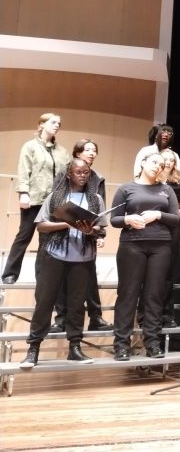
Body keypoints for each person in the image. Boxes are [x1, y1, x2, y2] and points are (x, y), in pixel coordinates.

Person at [19, 159, 107, 368]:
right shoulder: (56, 196)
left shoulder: (95, 199)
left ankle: (75, 347)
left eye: (86, 172)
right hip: (54, 256)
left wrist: (90, 230)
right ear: (69, 174)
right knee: (45, 302)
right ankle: (33, 348)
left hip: (83, 258)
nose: (83, 175)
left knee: (77, 304)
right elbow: (41, 226)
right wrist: (66, 224)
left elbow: (101, 229)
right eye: (78, 172)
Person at [109, 153, 180, 360]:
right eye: (154, 162)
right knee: (128, 295)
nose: (158, 167)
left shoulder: (166, 190)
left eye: (161, 164)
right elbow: (114, 219)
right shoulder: (126, 189)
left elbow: (175, 218)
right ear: (142, 163)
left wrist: (158, 215)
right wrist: (128, 219)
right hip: (132, 246)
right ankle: (121, 345)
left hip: (161, 247)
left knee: (154, 296)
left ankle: (152, 343)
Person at [50, 139, 110, 332]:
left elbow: (101, 209)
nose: (92, 153)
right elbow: (56, 200)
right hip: (64, 232)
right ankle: (61, 319)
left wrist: (101, 234)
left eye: (95, 150)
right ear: (77, 153)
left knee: (90, 275)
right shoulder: (65, 172)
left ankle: (96, 317)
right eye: (88, 150)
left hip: (87, 232)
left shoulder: (97, 177)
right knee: (61, 278)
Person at [3, 113, 70, 284]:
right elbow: (24, 171)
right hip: (33, 199)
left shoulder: (62, 152)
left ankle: (41, 276)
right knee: (24, 235)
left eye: (59, 123)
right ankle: (10, 273)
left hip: (54, 202)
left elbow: (67, 176)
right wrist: (23, 193)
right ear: (41, 124)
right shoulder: (30, 146)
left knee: (46, 240)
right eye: (53, 122)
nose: (57, 125)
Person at [157, 148, 180, 329]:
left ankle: (167, 312)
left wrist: (178, 211)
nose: (169, 162)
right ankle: (151, 312)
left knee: (169, 273)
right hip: (154, 230)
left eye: (172, 160)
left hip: (173, 230)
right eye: (165, 159)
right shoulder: (151, 183)